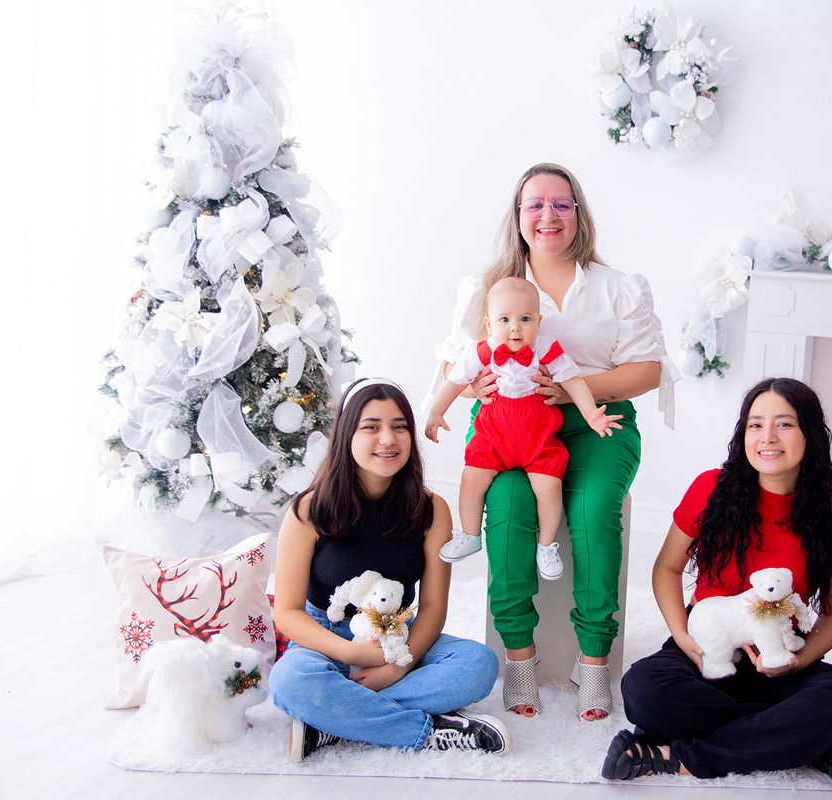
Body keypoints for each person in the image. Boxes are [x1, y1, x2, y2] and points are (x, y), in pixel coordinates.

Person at [428, 163, 678, 722]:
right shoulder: (487, 288)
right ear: (517, 217)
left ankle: (592, 663)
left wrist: (573, 396)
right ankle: (519, 658)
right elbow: (454, 363)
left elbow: (647, 371)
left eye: (561, 204)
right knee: (510, 507)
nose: (548, 215)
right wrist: (471, 386)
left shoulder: (617, 286)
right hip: (506, 426)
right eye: (534, 205)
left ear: (578, 213)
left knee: (591, 513)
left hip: (597, 421)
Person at [605, 378, 832, 789]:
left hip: (780, 656)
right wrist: (683, 638)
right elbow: (666, 569)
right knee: (644, 690)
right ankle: (809, 742)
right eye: (755, 425)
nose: (767, 437)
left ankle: (677, 756)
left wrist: (797, 663)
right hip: (708, 652)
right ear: (743, 433)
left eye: (784, 424)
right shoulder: (710, 489)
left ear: (810, 434)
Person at [270, 378, 510, 762]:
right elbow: (287, 612)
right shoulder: (308, 510)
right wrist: (354, 653)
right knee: (289, 682)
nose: (388, 438)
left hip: (399, 637)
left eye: (400, 426)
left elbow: (433, 607)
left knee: (478, 666)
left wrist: (401, 665)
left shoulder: (432, 509)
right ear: (347, 434)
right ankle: (429, 732)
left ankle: (331, 719)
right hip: (327, 638)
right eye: (371, 427)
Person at [425, 276, 624, 582]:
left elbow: (574, 383)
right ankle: (470, 534)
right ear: (490, 325)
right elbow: (455, 381)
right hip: (494, 434)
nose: (515, 327)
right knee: (471, 478)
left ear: (538, 322)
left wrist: (591, 415)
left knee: (549, 487)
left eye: (525, 319)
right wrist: (436, 411)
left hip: (537, 437)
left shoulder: (547, 349)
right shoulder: (482, 351)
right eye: (505, 319)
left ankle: (546, 545)